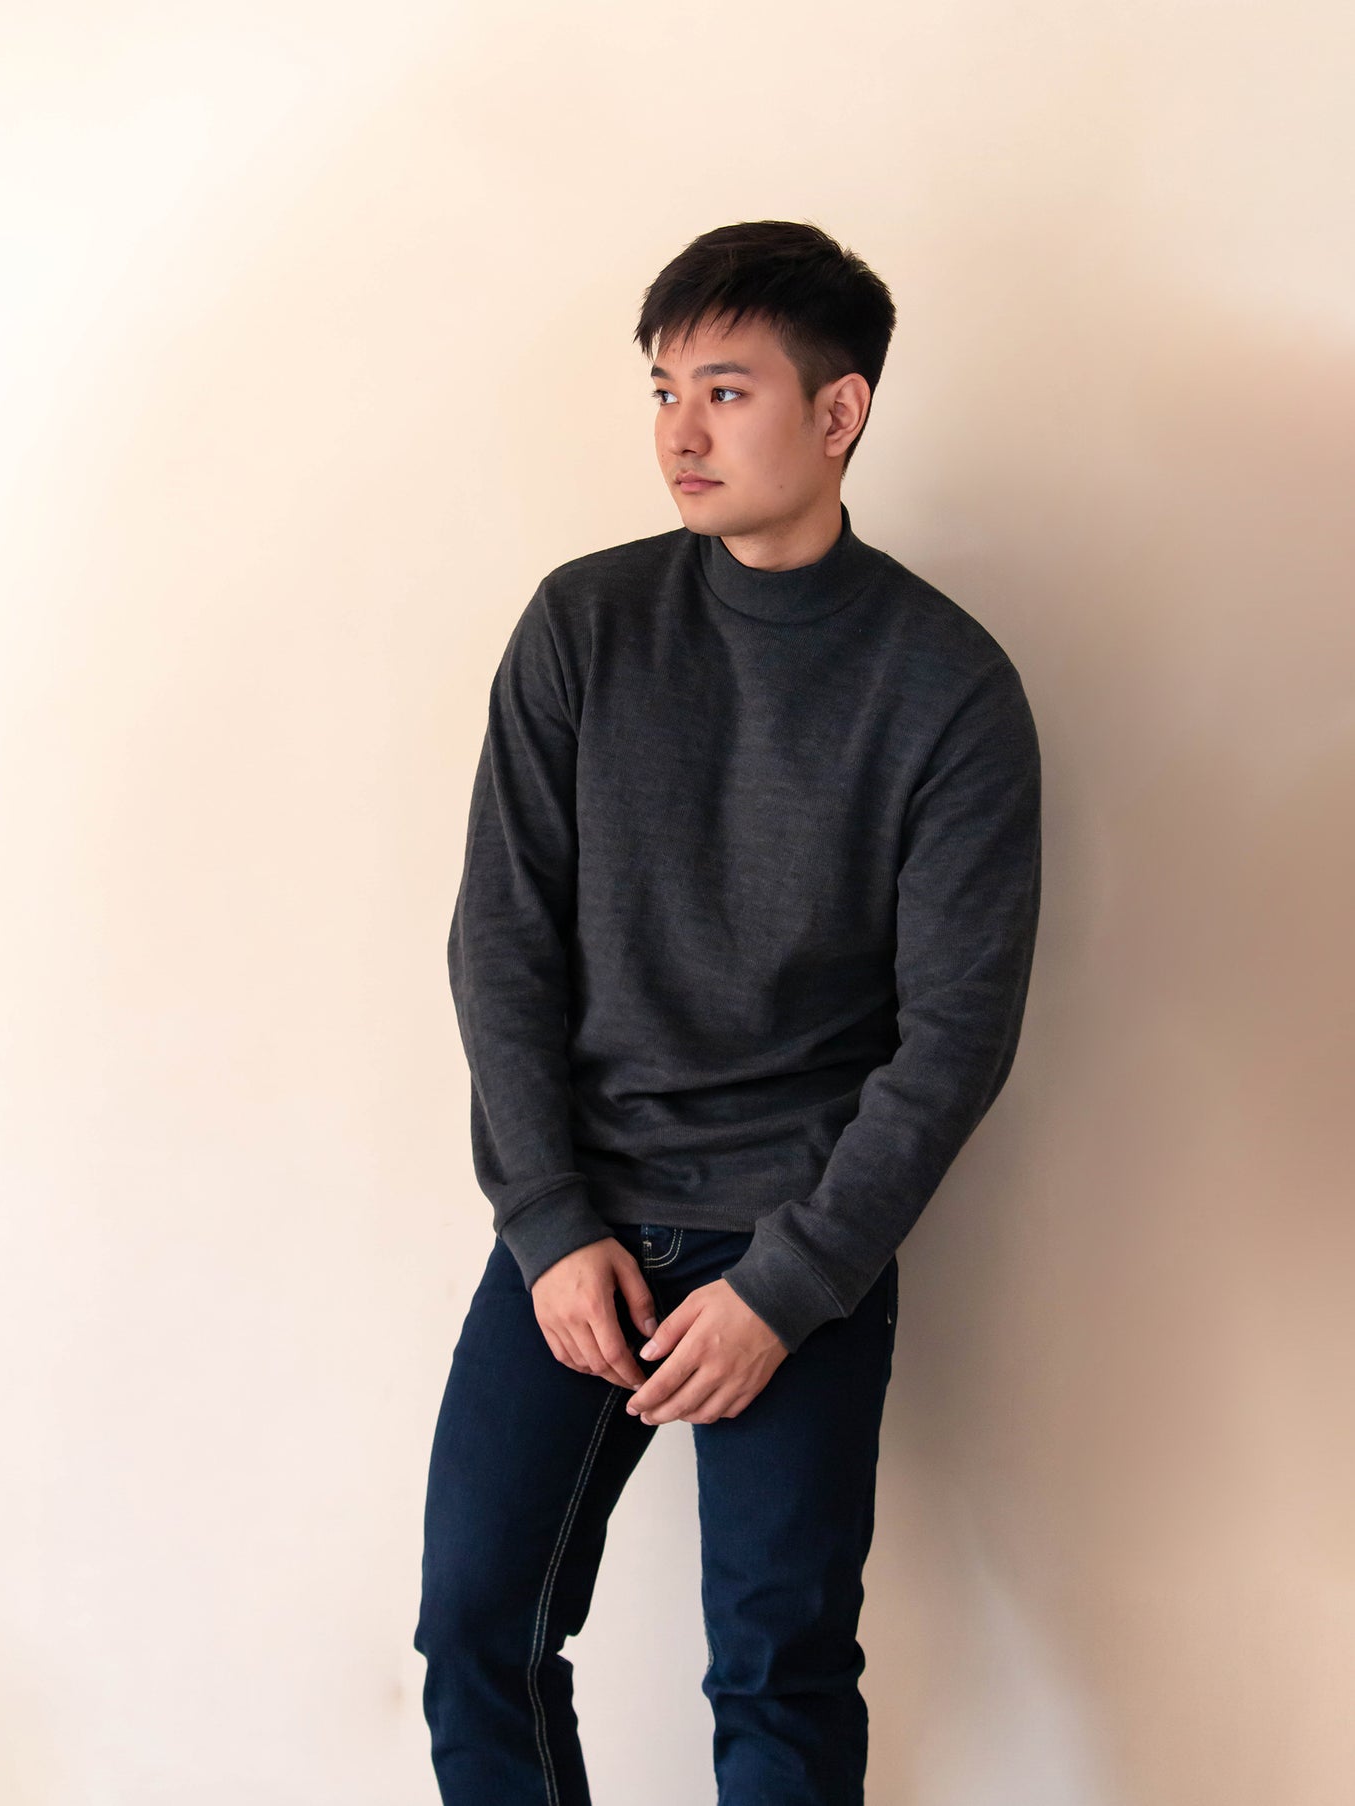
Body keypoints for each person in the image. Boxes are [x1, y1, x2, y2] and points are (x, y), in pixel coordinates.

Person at [413, 219, 1043, 1805]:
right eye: (660, 389)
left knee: (778, 1670)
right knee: (479, 1625)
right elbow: (502, 942)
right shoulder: (584, 626)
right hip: (584, 1226)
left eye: (724, 389)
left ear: (837, 412)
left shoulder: (946, 686)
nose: (678, 432)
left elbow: (953, 1038)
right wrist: (548, 1223)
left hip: (797, 1242)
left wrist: (786, 1286)